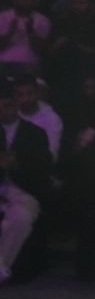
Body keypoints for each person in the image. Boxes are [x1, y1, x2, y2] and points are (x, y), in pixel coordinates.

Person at [0, 83, 51, 283]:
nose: (4, 110)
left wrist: (16, 166)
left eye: (7, 105)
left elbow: (41, 172)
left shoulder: (35, 134)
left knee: (20, 217)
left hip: (23, 190)